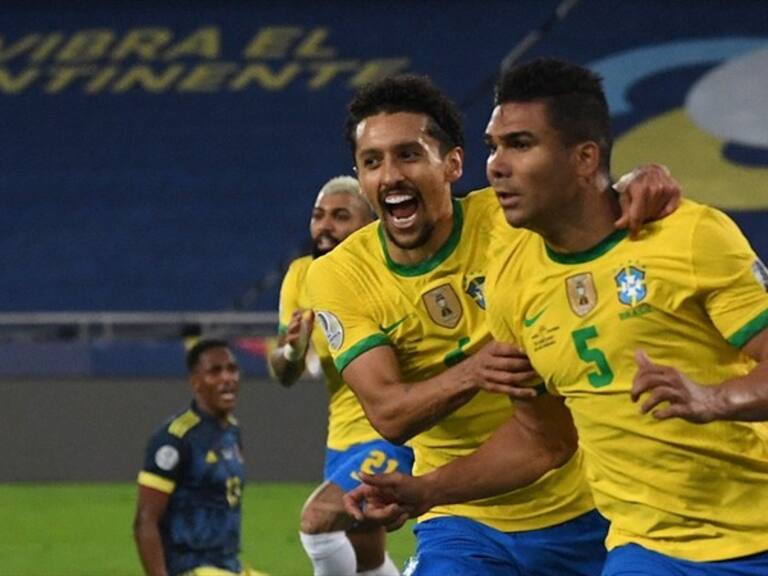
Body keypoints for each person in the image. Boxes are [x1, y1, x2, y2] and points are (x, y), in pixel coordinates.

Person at [349, 59, 768, 576]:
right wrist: (427, 488)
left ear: (584, 157)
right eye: (493, 147)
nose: (496, 166)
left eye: (520, 145)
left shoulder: (689, 237)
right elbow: (541, 439)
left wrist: (714, 399)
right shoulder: (512, 282)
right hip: (647, 552)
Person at [307, 73, 680, 575]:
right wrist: (472, 372)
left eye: (409, 154)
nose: (390, 175)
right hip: (462, 519)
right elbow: (391, 415)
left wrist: (634, 182)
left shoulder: (513, 223)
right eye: (372, 162)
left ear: (453, 164)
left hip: (586, 504)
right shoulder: (340, 275)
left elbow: (590, 201)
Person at [269, 175, 414, 576]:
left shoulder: (394, 271)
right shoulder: (302, 275)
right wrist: (292, 350)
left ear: (370, 224)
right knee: (365, 552)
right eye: (318, 216)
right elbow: (283, 373)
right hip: (343, 439)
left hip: (394, 431)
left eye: (340, 216)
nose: (324, 226)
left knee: (317, 523)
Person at [134, 339, 246, 576]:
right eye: (215, 371)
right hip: (189, 567)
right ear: (195, 382)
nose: (227, 378)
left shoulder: (232, 432)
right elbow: (145, 521)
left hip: (227, 566)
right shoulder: (175, 439)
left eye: (232, 369)